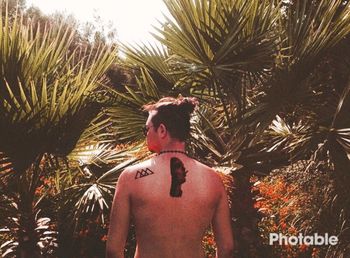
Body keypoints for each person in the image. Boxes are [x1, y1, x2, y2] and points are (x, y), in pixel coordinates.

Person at [106, 96, 234, 258]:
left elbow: (113, 250)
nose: (146, 134)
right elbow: (227, 247)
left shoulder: (131, 177)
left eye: (147, 129)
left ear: (161, 130)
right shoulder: (213, 179)